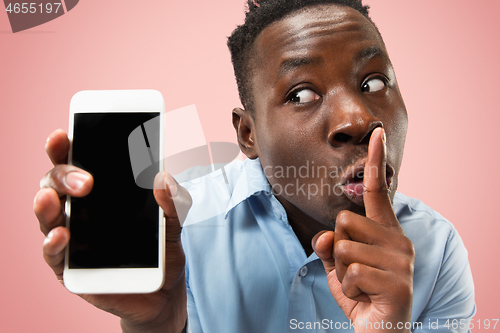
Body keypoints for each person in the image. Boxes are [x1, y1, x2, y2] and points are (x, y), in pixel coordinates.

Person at [34, 0, 475, 332]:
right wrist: (156, 327)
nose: (356, 120)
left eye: (374, 82)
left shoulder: (436, 250)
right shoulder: (176, 225)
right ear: (248, 135)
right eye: (302, 94)